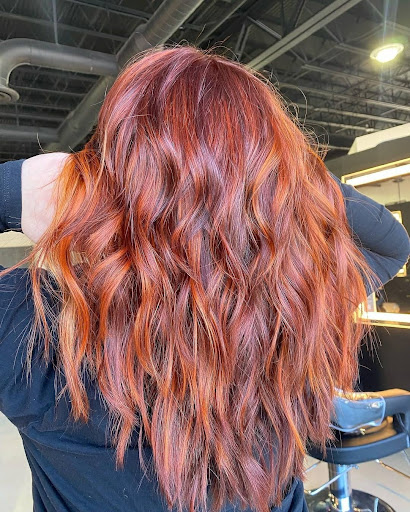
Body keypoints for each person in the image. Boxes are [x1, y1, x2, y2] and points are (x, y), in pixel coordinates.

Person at [0, 44, 409, 512]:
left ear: (111, 179)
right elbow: (391, 243)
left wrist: (17, 188)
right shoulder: (286, 307)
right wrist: (265, 168)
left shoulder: (38, 325)